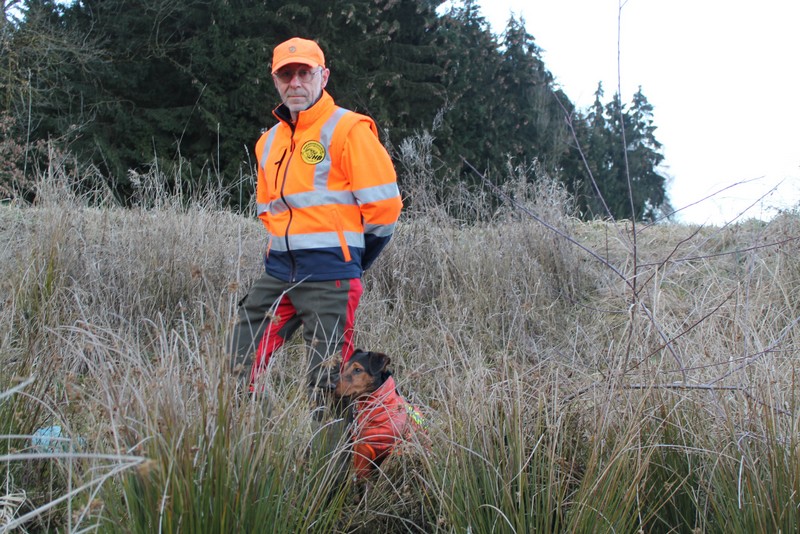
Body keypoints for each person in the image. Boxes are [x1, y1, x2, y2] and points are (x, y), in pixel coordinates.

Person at [230, 37, 402, 416]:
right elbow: (268, 211)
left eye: (304, 73)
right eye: (286, 74)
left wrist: (351, 259)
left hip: (331, 277)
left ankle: (336, 457)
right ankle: (253, 438)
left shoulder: (349, 129)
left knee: (328, 387)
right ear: (275, 81)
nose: (295, 82)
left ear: (323, 77)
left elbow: (385, 207)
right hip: (279, 274)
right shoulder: (268, 142)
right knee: (238, 360)